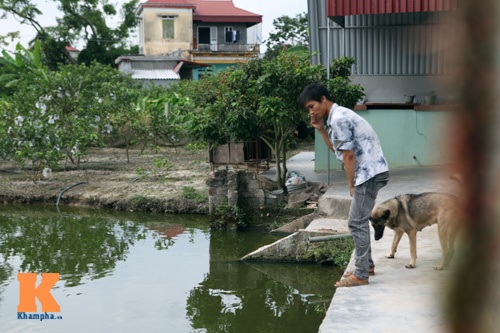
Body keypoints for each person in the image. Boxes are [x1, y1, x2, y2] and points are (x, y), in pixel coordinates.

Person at [299, 83, 389, 287]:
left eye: (312, 106)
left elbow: (349, 156)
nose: (311, 111)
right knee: (359, 220)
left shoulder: (338, 119)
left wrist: (351, 184)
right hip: (372, 172)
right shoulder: (336, 117)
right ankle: (367, 265)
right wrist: (321, 129)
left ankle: (361, 274)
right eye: (308, 109)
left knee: (356, 222)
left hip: (368, 174)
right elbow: (339, 151)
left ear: (323, 99)